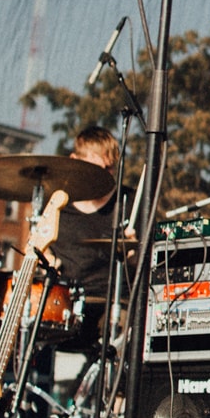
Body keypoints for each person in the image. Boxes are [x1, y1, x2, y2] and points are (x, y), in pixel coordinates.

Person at [51, 126, 130, 355]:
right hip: (65, 305)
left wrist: (134, 253)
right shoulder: (58, 205)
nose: (103, 176)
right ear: (74, 161)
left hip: (114, 306)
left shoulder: (129, 203)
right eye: (96, 169)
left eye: (108, 169)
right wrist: (44, 257)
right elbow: (36, 251)